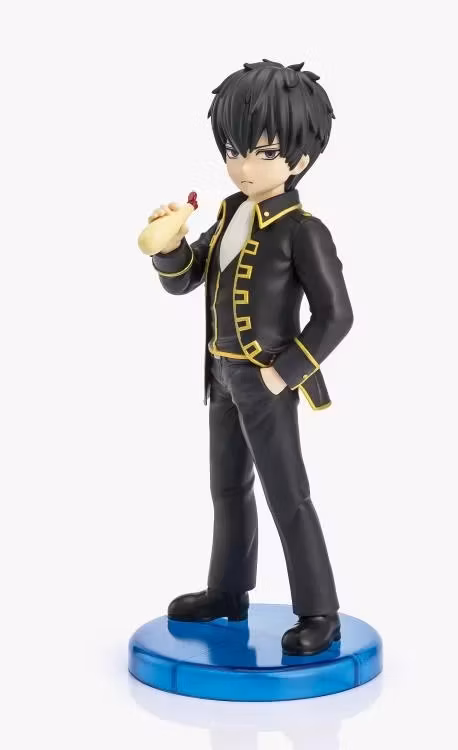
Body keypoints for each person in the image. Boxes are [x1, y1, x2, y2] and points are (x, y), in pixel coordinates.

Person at [147, 59, 354, 656]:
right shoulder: (228, 214)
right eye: (235, 150)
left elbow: (337, 316)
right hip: (220, 375)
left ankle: (320, 612)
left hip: (266, 381)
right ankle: (227, 591)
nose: (244, 167)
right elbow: (185, 280)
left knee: (288, 495)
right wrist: (167, 248)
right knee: (227, 488)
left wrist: (282, 374)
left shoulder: (303, 231)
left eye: (263, 153)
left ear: (300, 159)